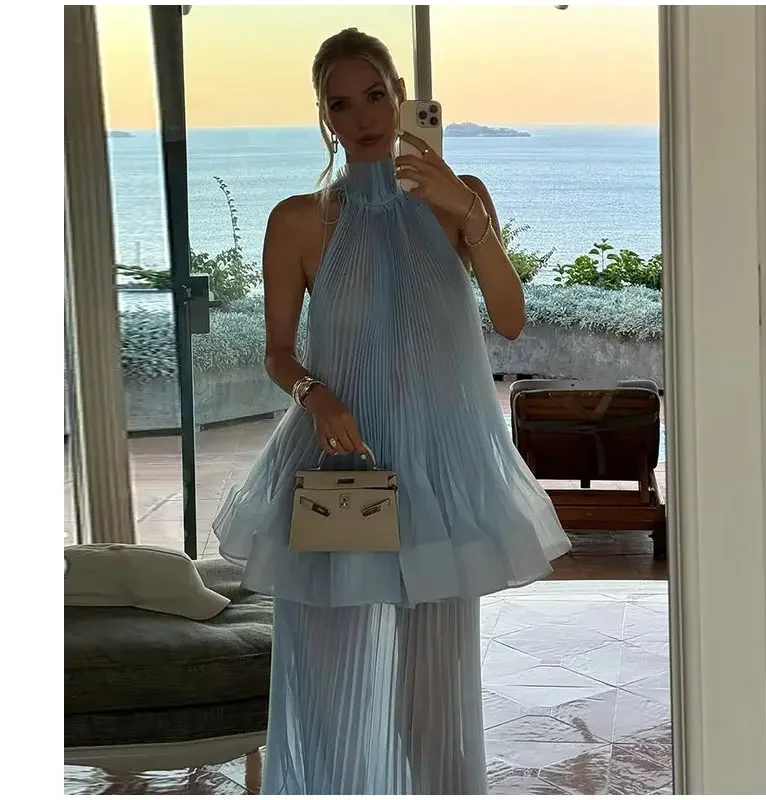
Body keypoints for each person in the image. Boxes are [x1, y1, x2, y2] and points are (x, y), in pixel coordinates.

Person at [213, 27, 572, 795]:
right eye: (340, 104)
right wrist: (315, 394)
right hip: (339, 470)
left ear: (401, 97)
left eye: (375, 94)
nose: (363, 116)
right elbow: (277, 352)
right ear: (324, 117)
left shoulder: (461, 198)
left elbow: (511, 320)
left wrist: (465, 211)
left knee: (435, 696)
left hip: (442, 475)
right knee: (329, 682)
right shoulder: (297, 221)